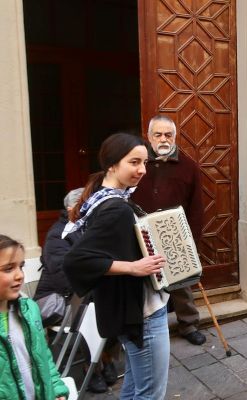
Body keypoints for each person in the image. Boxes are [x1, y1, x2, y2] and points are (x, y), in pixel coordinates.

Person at [63, 133, 170, 399]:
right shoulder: (115, 208)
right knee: (150, 394)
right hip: (142, 314)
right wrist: (134, 267)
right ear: (112, 164)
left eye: (145, 163)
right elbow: (77, 260)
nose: (142, 170)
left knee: (135, 387)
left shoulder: (106, 198)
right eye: (134, 162)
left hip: (128, 311)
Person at [33, 188, 121, 393]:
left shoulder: (90, 227)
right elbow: (64, 277)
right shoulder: (57, 234)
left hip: (88, 291)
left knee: (113, 301)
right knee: (89, 309)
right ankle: (92, 367)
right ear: (71, 209)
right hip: (58, 298)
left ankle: (105, 356)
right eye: (85, 206)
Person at [130, 115, 206, 346]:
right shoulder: (137, 162)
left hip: (174, 234)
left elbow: (196, 206)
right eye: (158, 134)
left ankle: (189, 323)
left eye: (168, 135)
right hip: (140, 231)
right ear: (149, 136)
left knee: (181, 281)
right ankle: (139, 323)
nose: (163, 139)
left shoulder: (188, 166)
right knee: (140, 281)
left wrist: (191, 240)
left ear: (174, 136)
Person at [0, 235, 69, 400]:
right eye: (8, 269)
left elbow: (43, 355)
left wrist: (56, 389)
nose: (19, 275)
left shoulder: (29, 309)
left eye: (21, 266)